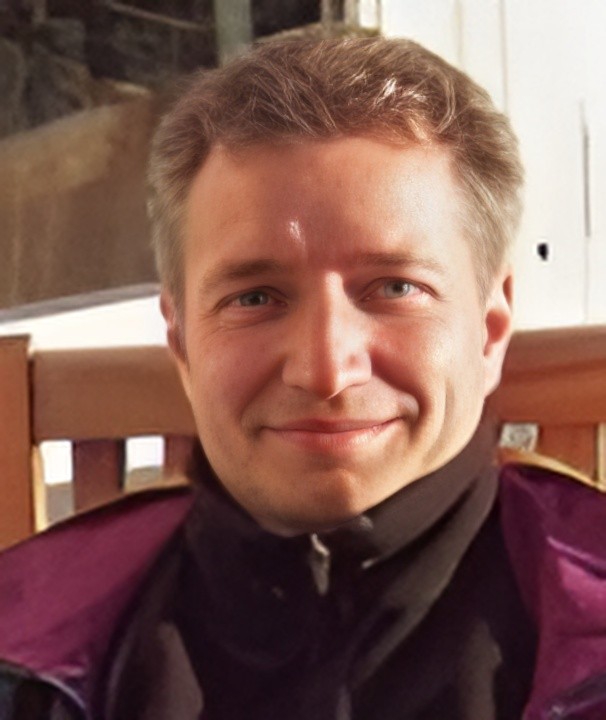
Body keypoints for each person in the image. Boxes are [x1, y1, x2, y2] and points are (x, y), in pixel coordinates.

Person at [1, 36, 605, 720]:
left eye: (395, 288)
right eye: (255, 298)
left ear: (490, 328)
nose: (325, 370)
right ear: (182, 341)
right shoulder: (23, 651)